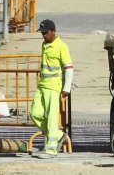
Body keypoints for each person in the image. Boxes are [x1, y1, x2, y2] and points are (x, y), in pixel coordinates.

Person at [30, 19, 74, 158]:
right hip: (42, 86)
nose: (44, 35)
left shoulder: (62, 46)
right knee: (35, 113)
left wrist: (66, 88)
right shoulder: (44, 45)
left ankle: (51, 149)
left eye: (46, 33)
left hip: (54, 87)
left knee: (51, 118)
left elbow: (69, 68)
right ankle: (58, 135)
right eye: (42, 33)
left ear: (53, 31)